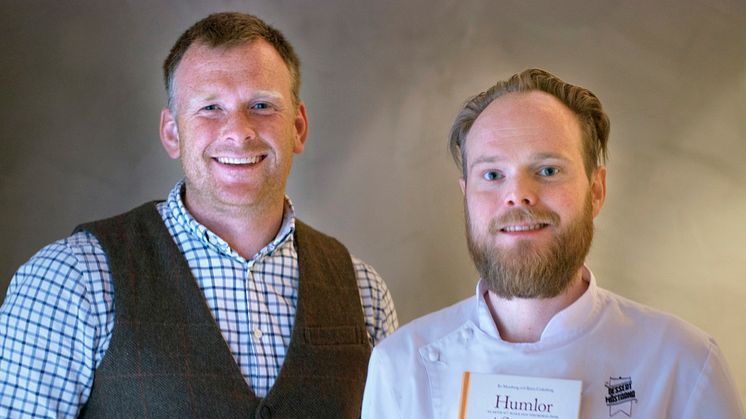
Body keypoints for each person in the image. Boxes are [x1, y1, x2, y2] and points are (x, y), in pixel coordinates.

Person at [0, 12, 397, 418]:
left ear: (297, 126)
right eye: (210, 108)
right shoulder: (75, 279)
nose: (239, 131)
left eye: (261, 105)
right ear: (172, 133)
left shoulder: (364, 293)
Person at [361, 68, 744, 418]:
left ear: (596, 191)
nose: (518, 195)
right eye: (492, 174)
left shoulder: (686, 366)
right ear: (466, 197)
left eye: (547, 170)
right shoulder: (400, 367)